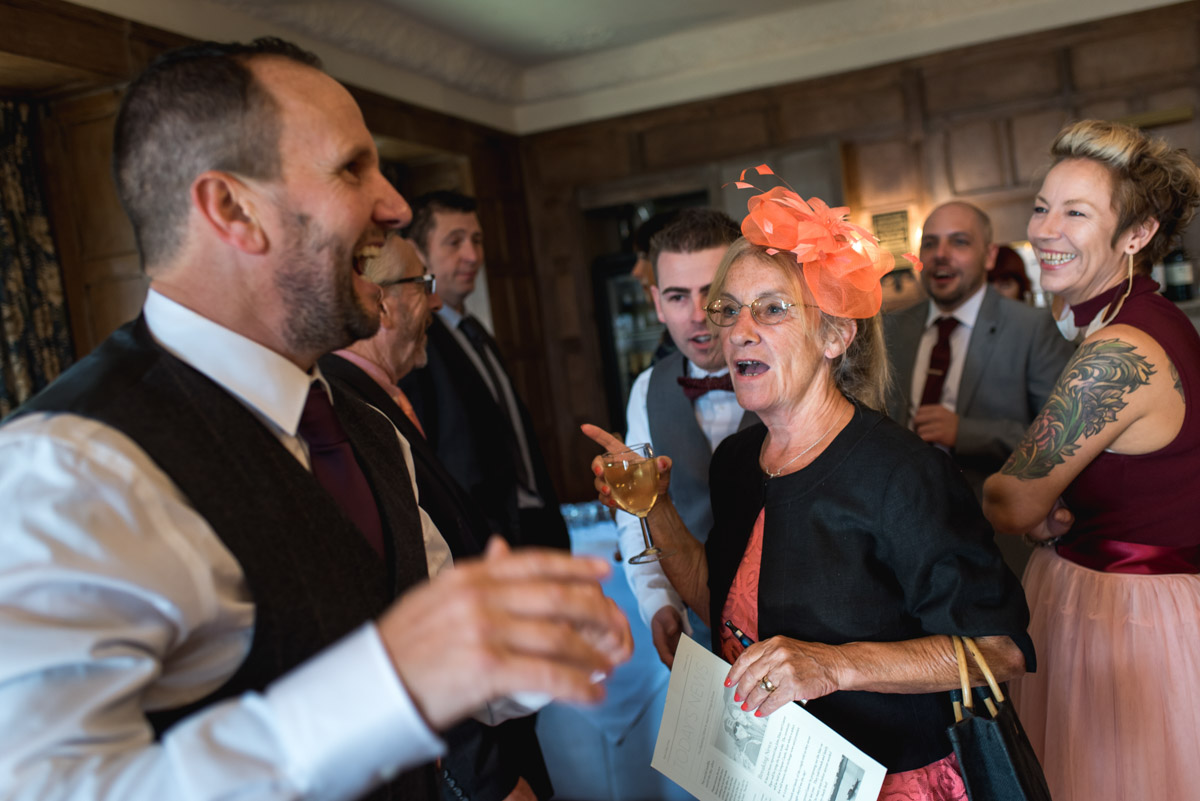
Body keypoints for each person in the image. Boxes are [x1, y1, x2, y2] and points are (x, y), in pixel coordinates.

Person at [0, 38, 631, 801]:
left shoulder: (366, 430)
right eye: (351, 169)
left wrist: (531, 645)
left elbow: (438, 665)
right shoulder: (67, 468)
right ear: (232, 208)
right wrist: (390, 682)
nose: (395, 206)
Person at [590, 173, 1034, 800]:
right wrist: (653, 506)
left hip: (890, 781)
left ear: (835, 334)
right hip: (766, 776)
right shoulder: (738, 462)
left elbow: (999, 652)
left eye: (771, 309)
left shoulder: (901, 472)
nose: (738, 331)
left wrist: (832, 665)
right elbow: (719, 599)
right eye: (730, 310)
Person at [982, 119, 1200, 801]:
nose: (1046, 228)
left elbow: (1012, 500)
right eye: (1042, 206)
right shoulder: (1130, 319)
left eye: (1076, 212)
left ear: (1136, 235)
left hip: (1125, 618)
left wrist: (1026, 502)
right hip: (1112, 597)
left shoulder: (1121, 350)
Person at [318, 236, 552, 801]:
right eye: (424, 286)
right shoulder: (344, 420)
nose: (439, 304)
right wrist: (484, 777)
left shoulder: (383, 402)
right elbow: (401, 611)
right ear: (380, 300)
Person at [597, 208, 753, 667]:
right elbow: (636, 517)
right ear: (657, 303)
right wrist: (658, 603)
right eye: (678, 297)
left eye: (713, 292)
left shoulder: (789, 373)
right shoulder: (648, 389)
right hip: (701, 635)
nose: (698, 316)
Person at [883, 201, 1074, 572]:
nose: (940, 255)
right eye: (930, 244)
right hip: (901, 538)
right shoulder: (892, 328)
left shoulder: (1031, 329)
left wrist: (965, 432)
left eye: (958, 243)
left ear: (988, 256)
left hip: (998, 539)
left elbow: (1063, 444)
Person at [400, 191, 568, 550]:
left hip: (537, 525)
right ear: (418, 253)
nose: (473, 256)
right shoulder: (417, 344)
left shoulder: (476, 333)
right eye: (454, 242)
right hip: (487, 542)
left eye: (476, 240)